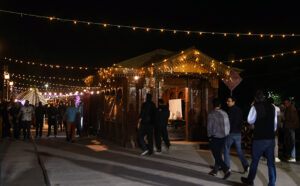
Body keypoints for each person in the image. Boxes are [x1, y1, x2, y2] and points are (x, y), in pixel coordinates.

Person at [241, 90, 277, 186]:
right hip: (270, 138)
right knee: (271, 162)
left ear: (256, 98)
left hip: (259, 138)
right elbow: (275, 125)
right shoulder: (272, 107)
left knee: (255, 160)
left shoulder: (255, 107)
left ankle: (250, 180)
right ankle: (272, 183)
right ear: (264, 97)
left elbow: (249, 120)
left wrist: (252, 107)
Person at [207, 98, 231, 179]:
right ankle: (215, 171)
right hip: (224, 136)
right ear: (220, 105)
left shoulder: (211, 114)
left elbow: (209, 127)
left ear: (213, 105)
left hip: (215, 137)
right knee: (219, 154)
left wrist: (209, 136)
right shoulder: (225, 113)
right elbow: (228, 125)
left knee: (217, 156)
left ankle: (226, 170)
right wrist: (227, 134)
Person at [224, 96, 249, 173]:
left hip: (231, 133)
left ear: (233, 102)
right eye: (227, 101)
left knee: (226, 149)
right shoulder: (239, 110)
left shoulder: (231, 110)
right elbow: (241, 121)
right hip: (238, 133)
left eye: (229, 101)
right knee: (239, 151)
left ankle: (227, 167)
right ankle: (246, 165)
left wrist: (228, 131)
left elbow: (230, 122)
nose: (227, 102)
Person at [283, 98, 299, 162]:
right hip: (290, 127)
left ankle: (292, 157)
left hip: (291, 128)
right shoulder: (289, 108)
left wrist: (285, 119)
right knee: (290, 142)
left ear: (289, 102)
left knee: (291, 142)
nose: (285, 104)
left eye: (286, 103)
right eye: (285, 103)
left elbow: (292, 119)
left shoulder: (291, 109)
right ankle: (291, 156)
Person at [267, 97, 281, 162]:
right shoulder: (277, 108)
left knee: (267, 142)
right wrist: (278, 128)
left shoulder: (266, 108)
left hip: (267, 128)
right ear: (273, 102)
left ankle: (268, 155)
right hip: (275, 128)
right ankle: (276, 156)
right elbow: (279, 119)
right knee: (275, 143)